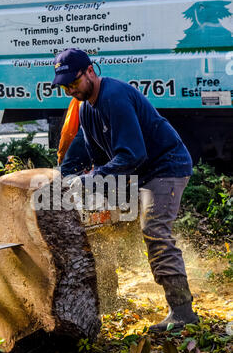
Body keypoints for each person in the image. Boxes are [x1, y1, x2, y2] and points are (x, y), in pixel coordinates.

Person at [51, 48, 199, 332]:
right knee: (100, 224)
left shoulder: (114, 97)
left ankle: (182, 311)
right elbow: (91, 156)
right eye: (66, 85)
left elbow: (133, 154)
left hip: (165, 167)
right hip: (138, 171)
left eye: (74, 82)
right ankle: (106, 297)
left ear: (90, 71)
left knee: (155, 231)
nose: (71, 89)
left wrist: (92, 178)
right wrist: (65, 178)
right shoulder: (85, 109)